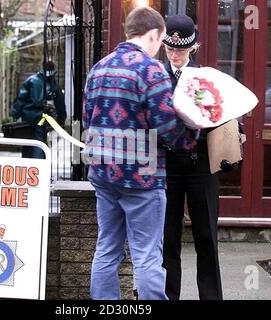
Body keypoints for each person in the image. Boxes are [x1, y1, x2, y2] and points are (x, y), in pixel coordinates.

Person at [82, 7, 198, 300]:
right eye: (160, 40)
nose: (161, 47)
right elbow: (167, 126)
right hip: (142, 179)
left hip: (102, 173)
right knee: (146, 256)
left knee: (107, 249)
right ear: (153, 34)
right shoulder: (151, 69)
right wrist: (191, 134)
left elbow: (87, 120)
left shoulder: (99, 67)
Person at [161, 14, 223, 300]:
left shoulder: (206, 77)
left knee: (207, 236)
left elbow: (226, 113)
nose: (175, 55)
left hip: (201, 164)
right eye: (171, 49)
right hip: (166, 164)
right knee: (167, 238)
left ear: (193, 47)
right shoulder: (156, 76)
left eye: (181, 50)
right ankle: (167, 296)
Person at [11, 61, 66, 159]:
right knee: (39, 141)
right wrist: (61, 119)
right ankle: (37, 167)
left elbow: (21, 99)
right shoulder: (53, 85)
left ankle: (27, 166)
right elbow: (60, 103)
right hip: (42, 117)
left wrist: (15, 114)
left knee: (27, 141)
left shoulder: (31, 80)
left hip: (27, 116)